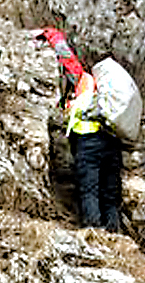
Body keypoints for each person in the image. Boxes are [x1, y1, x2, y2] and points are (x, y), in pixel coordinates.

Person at [33, 26, 123, 231]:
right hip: (112, 141)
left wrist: (49, 34)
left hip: (89, 142)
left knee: (89, 191)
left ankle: (95, 237)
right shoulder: (105, 91)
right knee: (110, 196)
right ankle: (116, 239)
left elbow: (65, 56)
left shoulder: (83, 80)